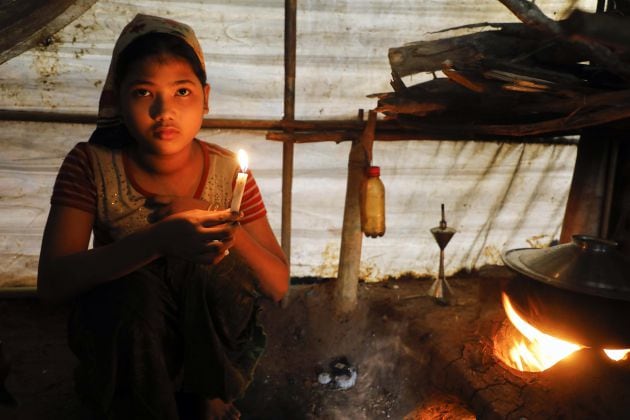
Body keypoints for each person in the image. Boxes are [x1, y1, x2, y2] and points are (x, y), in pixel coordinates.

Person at [37, 14, 289, 420]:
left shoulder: (227, 173)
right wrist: (157, 240)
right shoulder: (93, 165)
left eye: (182, 92)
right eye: (142, 92)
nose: (164, 111)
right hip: (134, 338)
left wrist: (214, 218)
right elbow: (51, 285)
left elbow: (277, 285)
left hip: (213, 337)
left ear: (206, 97)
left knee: (208, 265)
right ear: (118, 97)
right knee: (131, 292)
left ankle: (211, 394)